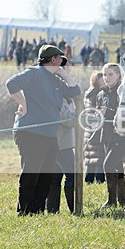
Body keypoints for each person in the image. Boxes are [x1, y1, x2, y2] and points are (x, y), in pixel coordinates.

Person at [5, 44, 81, 216]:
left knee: (46, 176)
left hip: (49, 135)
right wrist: (23, 103)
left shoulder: (56, 80)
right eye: (61, 59)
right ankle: (24, 212)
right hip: (30, 132)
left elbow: (75, 91)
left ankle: (37, 212)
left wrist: (63, 73)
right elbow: (11, 84)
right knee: (32, 172)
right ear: (53, 59)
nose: (63, 62)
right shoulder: (33, 73)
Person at [95, 63, 125, 208]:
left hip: (123, 136)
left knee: (108, 164)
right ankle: (122, 202)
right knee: (117, 167)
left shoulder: (123, 91)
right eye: (105, 75)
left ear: (118, 75)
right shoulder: (101, 94)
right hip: (107, 135)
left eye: (110, 74)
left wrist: (109, 111)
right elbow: (100, 116)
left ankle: (111, 201)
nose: (107, 78)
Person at [45, 57, 78, 214]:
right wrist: (79, 116)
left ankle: (52, 211)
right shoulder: (58, 91)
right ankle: (75, 209)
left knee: (55, 177)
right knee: (73, 174)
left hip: (58, 142)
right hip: (61, 143)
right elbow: (67, 119)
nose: (69, 71)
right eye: (67, 68)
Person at [83, 71, 105, 184]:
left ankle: (89, 180)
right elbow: (93, 112)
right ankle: (99, 180)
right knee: (99, 156)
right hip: (96, 129)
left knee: (91, 157)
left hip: (90, 130)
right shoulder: (97, 94)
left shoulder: (89, 92)